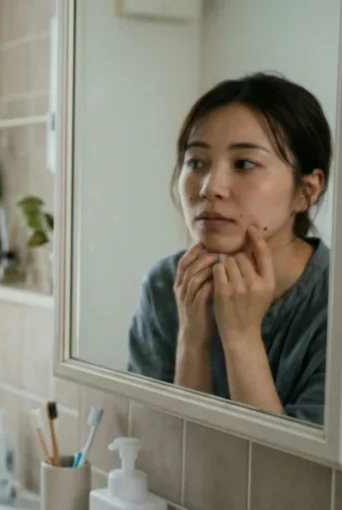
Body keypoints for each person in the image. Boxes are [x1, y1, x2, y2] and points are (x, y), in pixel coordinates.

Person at [127, 72, 331, 426]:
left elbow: (281, 461)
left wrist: (241, 339)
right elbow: (159, 442)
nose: (210, 187)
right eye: (196, 162)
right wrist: (192, 342)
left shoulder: (331, 304)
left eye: (244, 164)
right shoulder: (166, 284)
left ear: (306, 191)